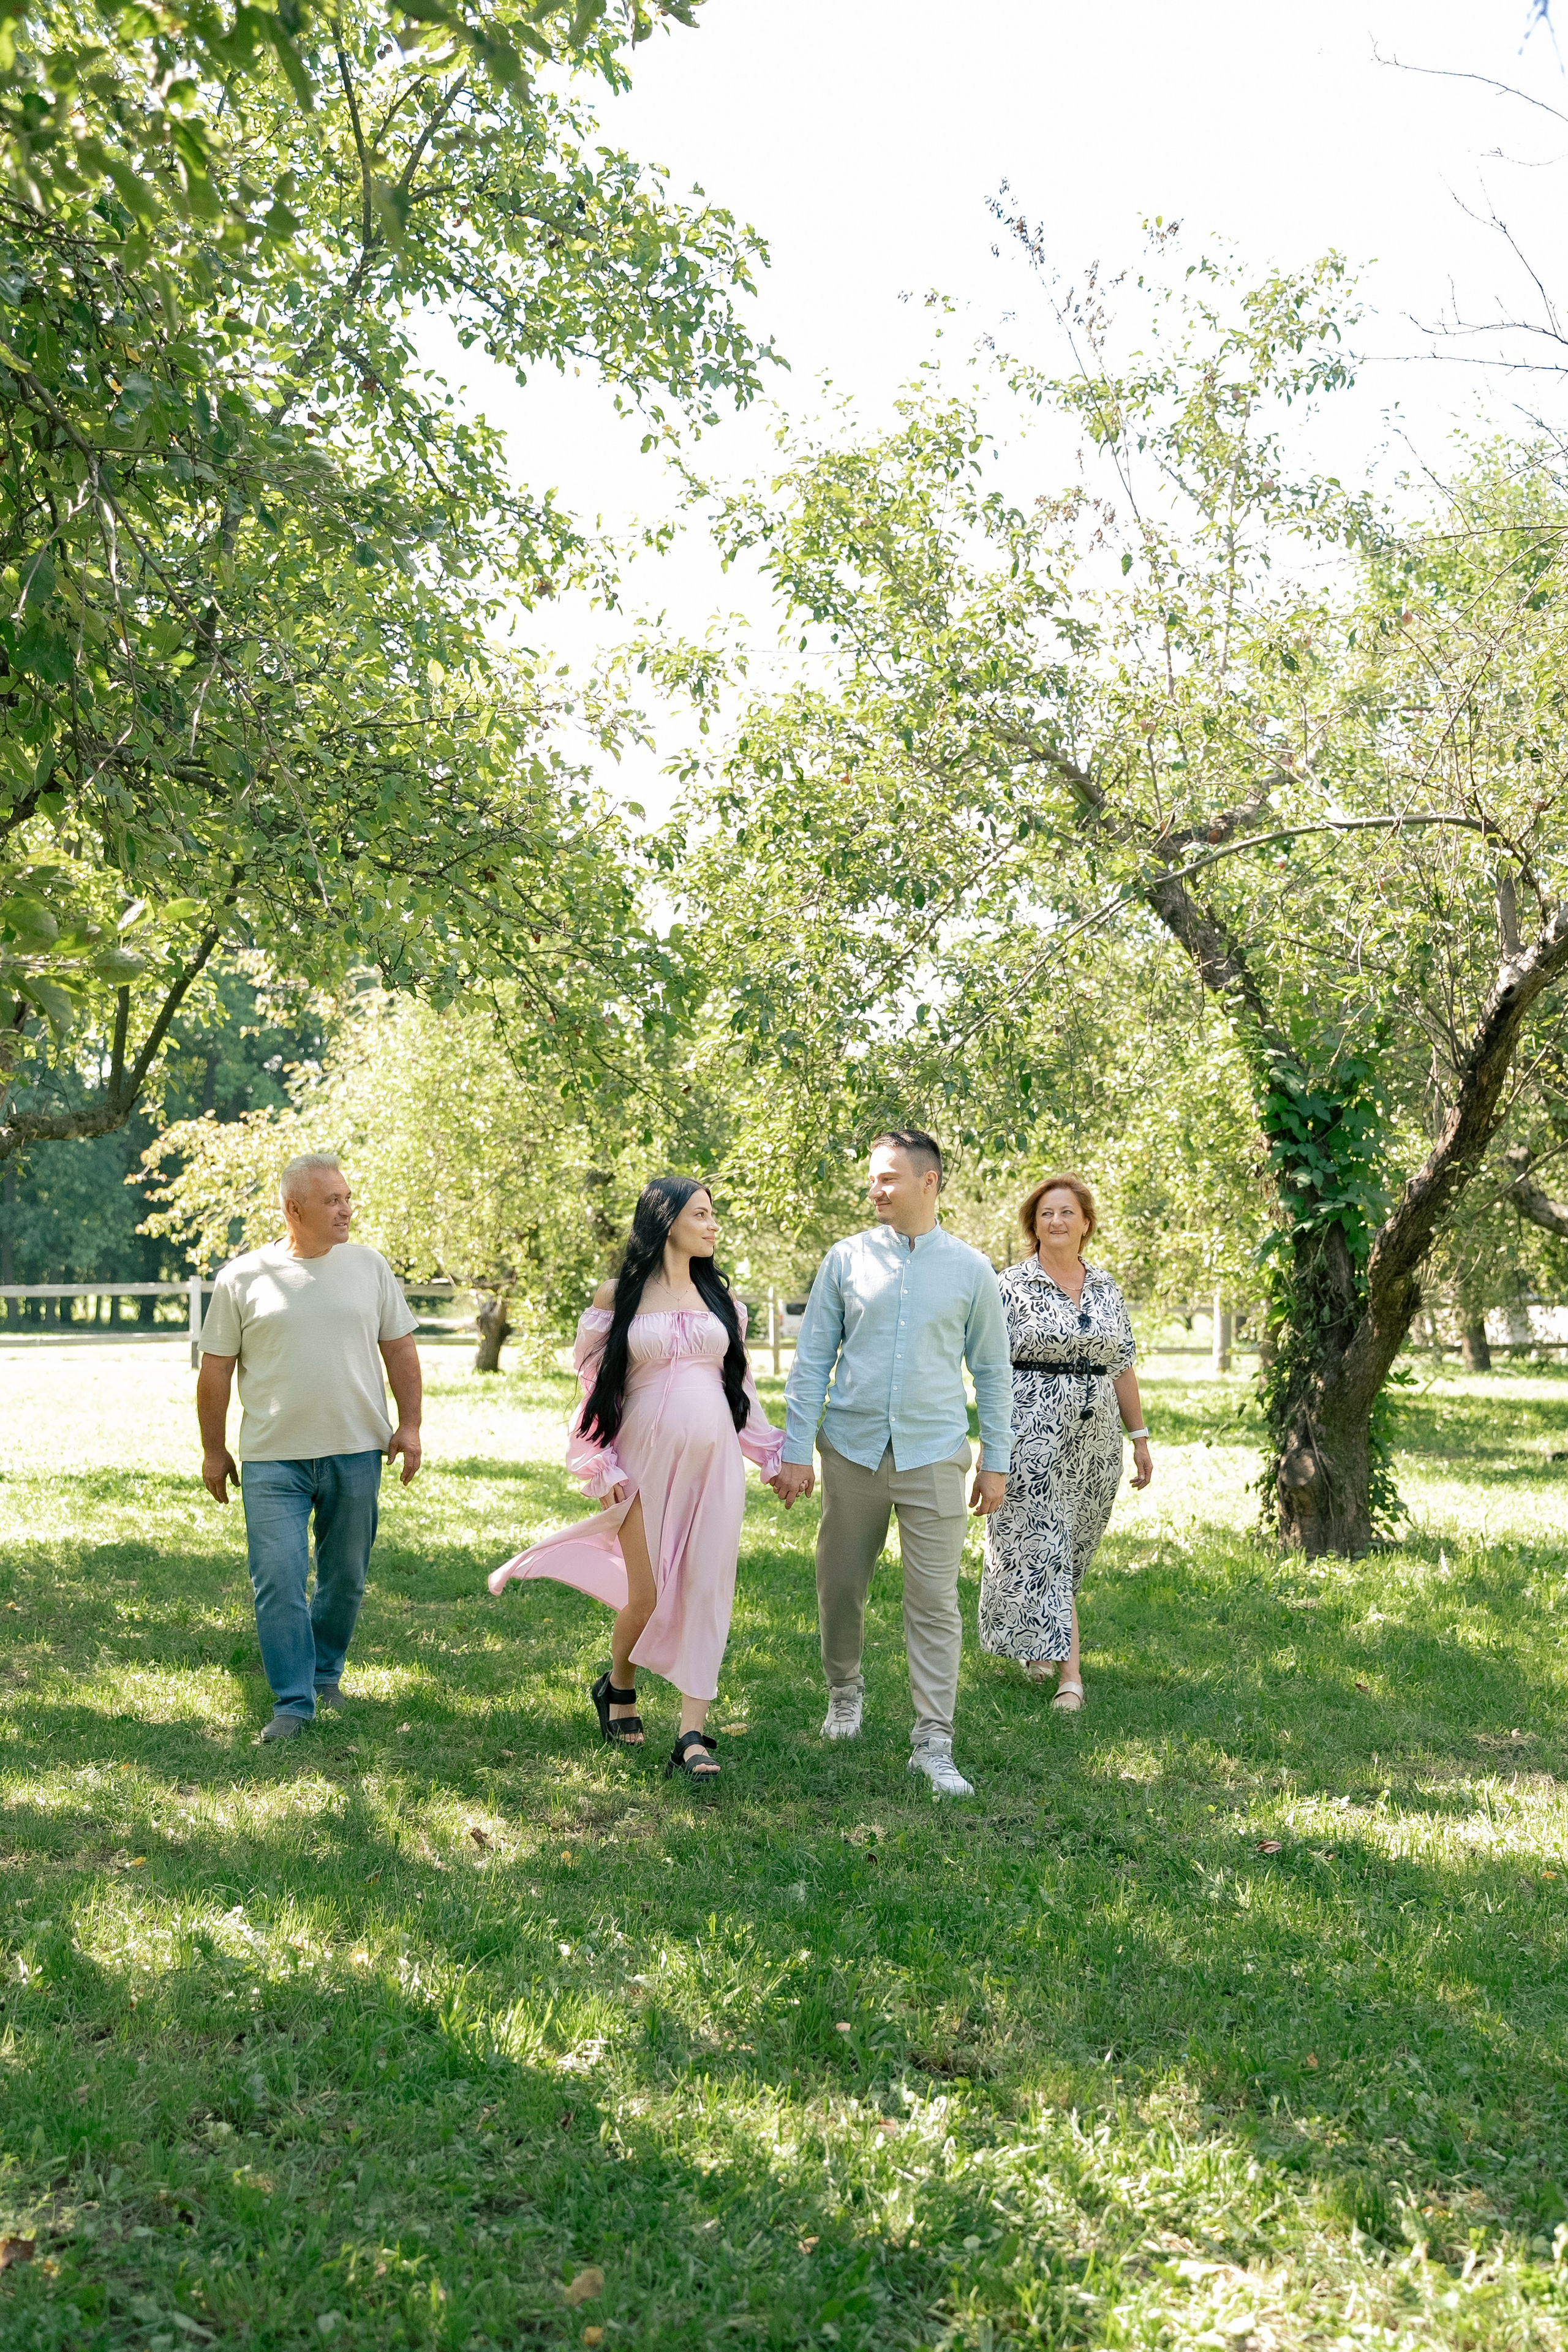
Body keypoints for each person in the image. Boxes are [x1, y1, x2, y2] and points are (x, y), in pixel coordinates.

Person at [488, 1177, 794, 1782]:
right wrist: (598, 1462)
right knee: (646, 1596)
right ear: (667, 1220)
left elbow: (742, 1389)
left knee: (707, 1589)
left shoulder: (721, 1300)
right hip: (641, 1465)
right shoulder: (619, 1295)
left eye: (712, 1214)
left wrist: (772, 1457)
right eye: (701, 1214)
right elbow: (593, 1386)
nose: (713, 1225)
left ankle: (691, 1736)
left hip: (713, 1465)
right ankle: (618, 1684)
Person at [774, 1129, 1012, 1800]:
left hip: (934, 1455)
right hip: (851, 1451)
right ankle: (843, 1693)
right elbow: (812, 1360)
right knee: (840, 1586)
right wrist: (795, 1450)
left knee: (934, 1602)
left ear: (928, 1182)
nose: (874, 1189)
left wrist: (995, 1461)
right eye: (872, 1178)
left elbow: (993, 1372)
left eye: (887, 1178)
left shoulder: (970, 1269)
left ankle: (933, 1743)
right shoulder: (845, 1260)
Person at [195, 1153, 423, 1743]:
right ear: (294, 1210)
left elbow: (400, 1350)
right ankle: (293, 1702)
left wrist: (410, 1426)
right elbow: (216, 1369)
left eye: (347, 1198)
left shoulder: (370, 1267)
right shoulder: (243, 1277)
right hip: (272, 1457)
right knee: (278, 1577)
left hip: (356, 1448)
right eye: (332, 1201)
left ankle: (324, 1673)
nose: (347, 1210)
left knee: (345, 1578)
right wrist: (214, 1451)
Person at [978, 1172, 1152, 1709]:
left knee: (1072, 1548)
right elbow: (990, 1369)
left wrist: (1139, 1438)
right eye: (1046, 1213)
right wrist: (992, 1446)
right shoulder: (1009, 1286)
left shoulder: (1105, 1287)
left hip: (1097, 1440)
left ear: (1086, 1224)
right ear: (1034, 1225)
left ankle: (1041, 1642)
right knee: (1044, 1542)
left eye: (1067, 1212)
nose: (1056, 1221)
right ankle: (1070, 1677)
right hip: (1030, 1433)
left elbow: (1122, 1364)